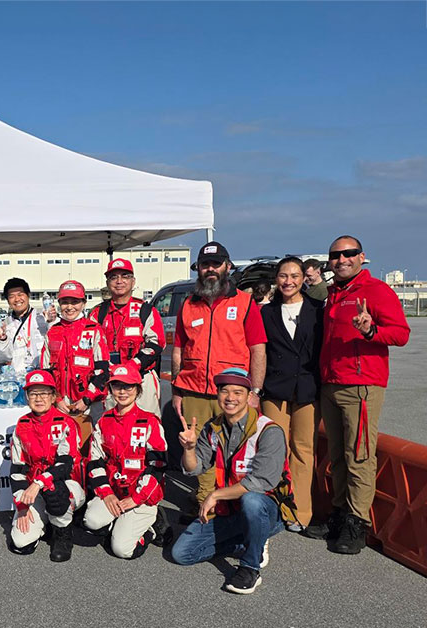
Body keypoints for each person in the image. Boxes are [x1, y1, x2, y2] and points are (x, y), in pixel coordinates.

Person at [307, 236, 410, 554]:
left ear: (362, 257)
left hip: (361, 387)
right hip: (331, 384)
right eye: (335, 255)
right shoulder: (333, 294)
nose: (342, 259)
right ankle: (339, 513)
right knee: (337, 456)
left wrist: (371, 331)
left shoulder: (376, 290)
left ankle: (357, 522)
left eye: (348, 253)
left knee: (360, 457)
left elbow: (401, 333)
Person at [171, 368, 292, 595]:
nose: (230, 398)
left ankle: (250, 567)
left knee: (252, 501)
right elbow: (193, 468)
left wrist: (215, 495)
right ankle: (252, 538)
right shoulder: (212, 427)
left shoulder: (269, 431)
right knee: (182, 554)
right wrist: (189, 449)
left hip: (265, 507)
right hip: (228, 510)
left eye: (238, 392)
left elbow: (261, 482)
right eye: (224, 391)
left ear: (249, 397)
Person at [171, 242, 267, 505]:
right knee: (200, 451)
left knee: (235, 451)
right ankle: (206, 506)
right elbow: (178, 349)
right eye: (205, 265)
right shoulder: (189, 305)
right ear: (198, 268)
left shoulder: (245, 303)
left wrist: (255, 392)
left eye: (216, 264)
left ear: (227, 266)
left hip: (233, 393)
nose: (210, 269)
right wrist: (177, 390)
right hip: (193, 392)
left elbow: (258, 350)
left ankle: (232, 505)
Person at [260, 257, 323, 533]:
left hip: (308, 388)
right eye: (284, 276)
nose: (289, 281)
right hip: (274, 390)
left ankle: (301, 511)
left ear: (303, 278)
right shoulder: (265, 313)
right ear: (276, 278)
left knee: (303, 450)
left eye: (295, 276)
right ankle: (275, 507)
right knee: (275, 450)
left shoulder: (319, 310)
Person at [84, 364, 168, 559]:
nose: (122, 392)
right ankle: (119, 523)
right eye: (117, 386)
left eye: (128, 386)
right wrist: (106, 494)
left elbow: (159, 466)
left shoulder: (149, 421)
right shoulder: (104, 421)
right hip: (114, 491)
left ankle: (151, 528)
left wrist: (137, 499)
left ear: (138, 390)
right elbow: (95, 461)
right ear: (111, 389)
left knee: (123, 550)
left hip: (141, 495)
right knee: (91, 521)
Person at [8, 369, 85, 562]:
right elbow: (17, 468)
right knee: (20, 543)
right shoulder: (22, 424)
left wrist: (38, 483)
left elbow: (65, 464)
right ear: (26, 397)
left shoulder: (65, 422)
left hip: (67, 485)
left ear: (53, 397)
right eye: (34, 393)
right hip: (35, 491)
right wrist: (22, 505)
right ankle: (46, 523)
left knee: (53, 489)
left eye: (44, 393)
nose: (39, 398)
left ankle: (63, 533)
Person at [91, 258, 166, 415]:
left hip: (141, 379)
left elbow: (156, 344)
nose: (119, 281)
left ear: (133, 281)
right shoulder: (97, 313)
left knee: (146, 426)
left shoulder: (146, 310)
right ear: (107, 282)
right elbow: (90, 346)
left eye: (125, 276)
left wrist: (133, 366)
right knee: (111, 428)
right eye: (113, 277)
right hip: (111, 380)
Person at [38, 280, 109, 444]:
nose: (69, 307)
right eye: (65, 302)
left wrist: (87, 399)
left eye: (75, 302)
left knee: (92, 448)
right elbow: (45, 372)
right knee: (62, 448)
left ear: (83, 303)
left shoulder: (94, 329)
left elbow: (103, 370)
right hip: (60, 404)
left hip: (90, 404)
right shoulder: (53, 332)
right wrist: (56, 399)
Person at [0, 277, 47, 374]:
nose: (17, 299)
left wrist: (51, 322)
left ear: (28, 295)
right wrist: (2, 339)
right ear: (8, 301)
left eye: (20, 294)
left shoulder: (42, 318)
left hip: (42, 377)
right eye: (12, 296)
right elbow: (3, 359)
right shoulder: (5, 324)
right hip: (19, 377)